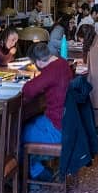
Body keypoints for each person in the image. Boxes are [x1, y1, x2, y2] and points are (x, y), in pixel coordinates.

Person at [21, 41, 71, 181]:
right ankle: (36, 167)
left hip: (57, 129)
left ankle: (34, 173)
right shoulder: (62, 62)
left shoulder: (50, 70)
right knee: (31, 122)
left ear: (38, 62)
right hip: (65, 122)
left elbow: (28, 90)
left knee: (18, 132)